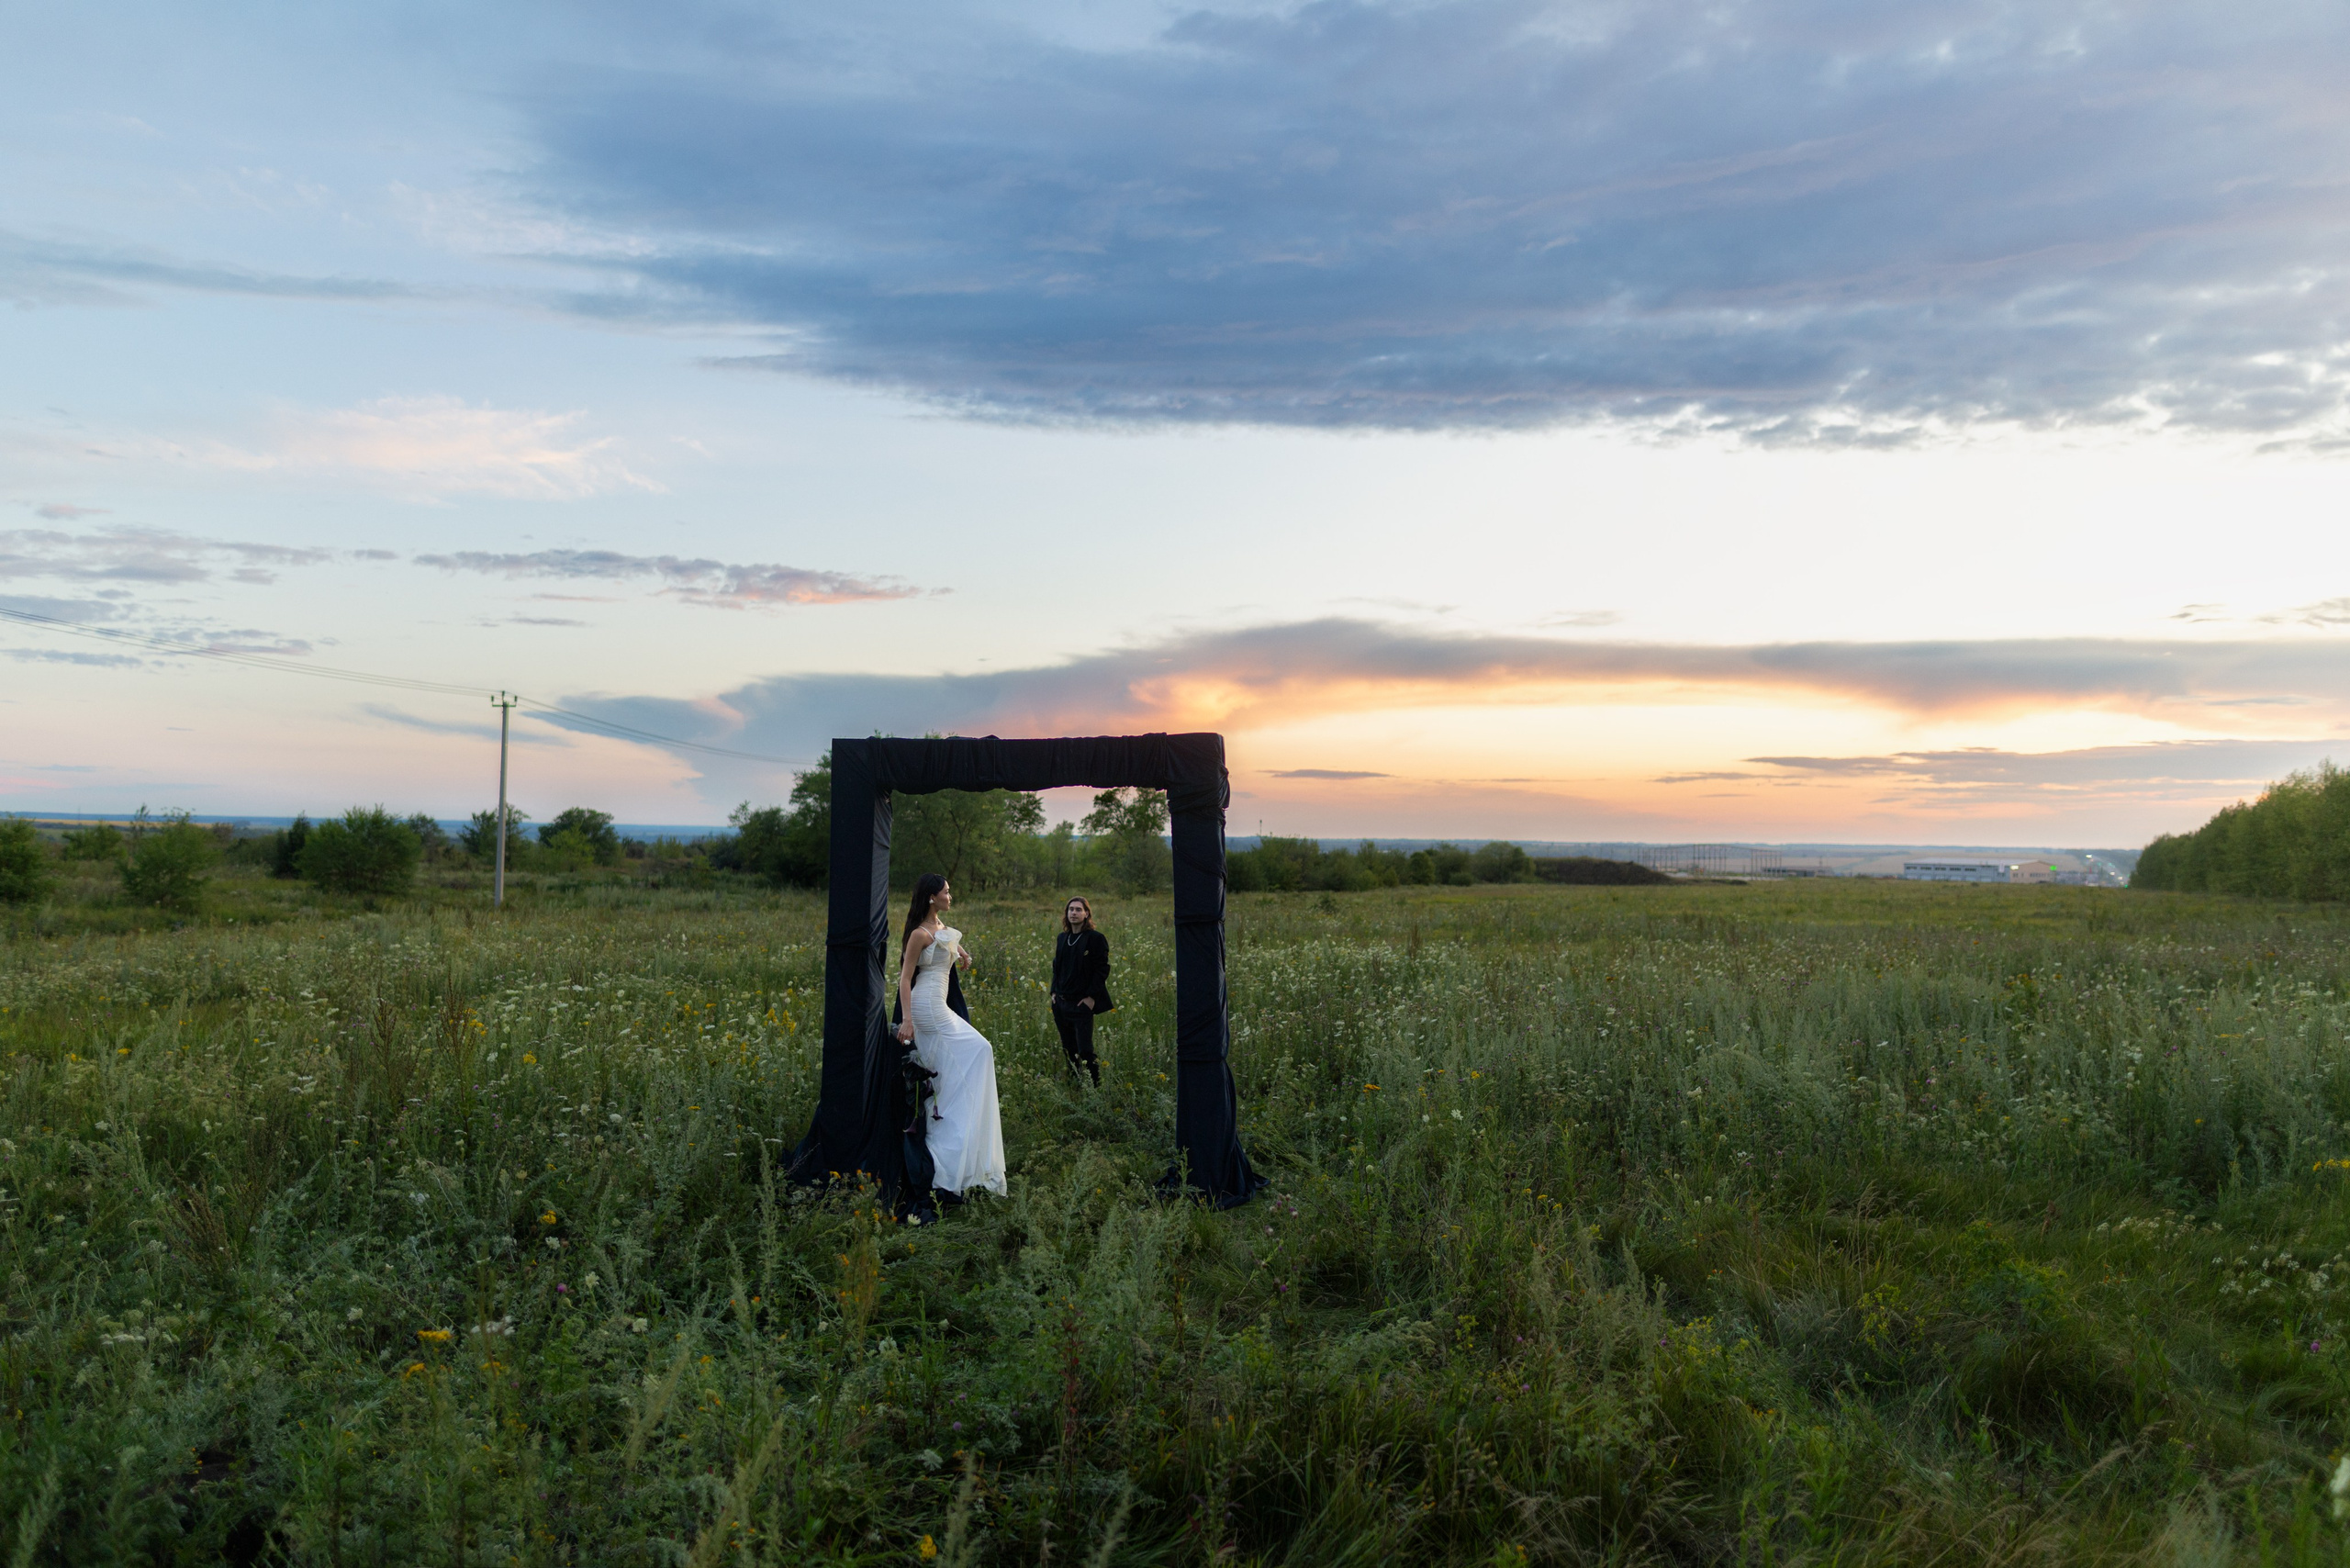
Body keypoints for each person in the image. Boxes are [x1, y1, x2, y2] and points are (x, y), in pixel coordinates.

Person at [894, 874, 1006, 1200]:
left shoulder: (939, 926)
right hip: (927, 1008)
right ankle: (945, 1153)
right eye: (946, 892)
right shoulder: (918, 934)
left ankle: (955, 1139)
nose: (950, 895)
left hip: (938, 1004)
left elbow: (948, 941)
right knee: (980, 1050)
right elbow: (904, 979)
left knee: (961, 1068)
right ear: (932, 897)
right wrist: (908, 1020)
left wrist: (963, 954)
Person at [1046, 895, 1113, 1085]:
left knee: (1085, 1050)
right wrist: (1053, 993)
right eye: (1071, 909)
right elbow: (1056, 967)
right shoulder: (1063, 938)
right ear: (1066, 914)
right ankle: (1075, 1084)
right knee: (1069, 1048)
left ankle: (1095, 1086)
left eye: (1078, 909)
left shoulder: (1095, 939)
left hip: (1081, 1004)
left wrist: (1091, 997)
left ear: (1086, 914)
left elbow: (1102, 970)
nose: (1074, 913)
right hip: (1061, 1003)